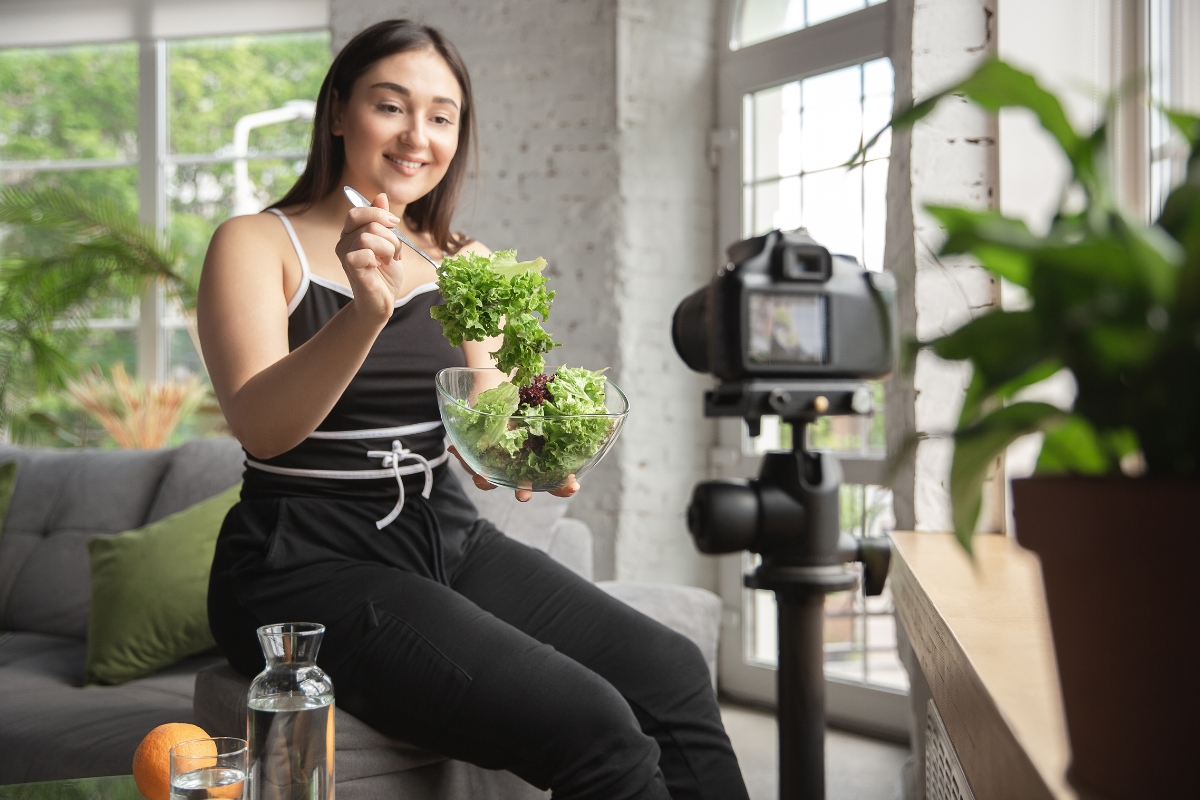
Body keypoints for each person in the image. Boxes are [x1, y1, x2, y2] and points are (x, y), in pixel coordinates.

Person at [199, 19, 750, 800]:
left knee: (671, 671)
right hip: (302, 557)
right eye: (391, 106)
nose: (417, 135)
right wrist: (365, 310)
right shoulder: (257, 243)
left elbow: (485, 430)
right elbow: (261, 425)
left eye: (442, 115)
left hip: (443, 532)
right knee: (593, 724)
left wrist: (535, 456)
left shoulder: (468, 263)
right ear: (337, 112)